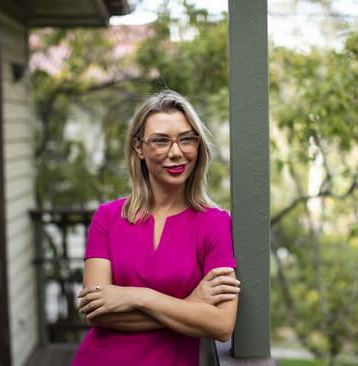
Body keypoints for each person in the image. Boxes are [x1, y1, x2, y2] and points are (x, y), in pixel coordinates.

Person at [71, 90, 240, 366]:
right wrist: (190, 305)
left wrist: (136, 296)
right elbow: (97, 311)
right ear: (138, 147)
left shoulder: (215, 223)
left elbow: (221, 324)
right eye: (161, 141)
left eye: (187, 139)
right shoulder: (107, 217)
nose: (176, 153)